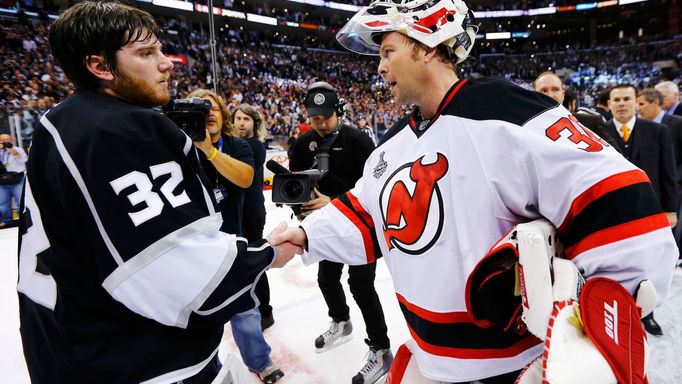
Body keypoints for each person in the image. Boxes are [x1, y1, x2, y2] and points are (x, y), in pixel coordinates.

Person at [271, 0, 678, 382]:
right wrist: (307, 236)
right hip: (430, 359)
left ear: (426, 46)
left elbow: (619, 199)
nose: (379, 68)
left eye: (388, 51)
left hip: (519, 365)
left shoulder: (507, 110)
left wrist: (595, 321)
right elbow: (366, 212)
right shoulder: (393, 145)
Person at [17, 3, 298, 383]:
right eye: (147, 53)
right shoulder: (118, 131)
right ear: (100, 67)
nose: (167, 63)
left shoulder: (61, 121)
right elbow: (181, 275)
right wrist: (273, 253)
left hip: (69, 348)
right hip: (137, 364)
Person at [288, 81, 393, 384]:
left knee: (361, 286)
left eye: (325, 116)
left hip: (360, 227)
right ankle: (341, 322)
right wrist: (302, 209)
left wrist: (333, 203)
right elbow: (295, 186)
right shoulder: (303, 142)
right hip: (326, 229)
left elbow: (376, 188)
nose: (319, 123)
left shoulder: (358, 140)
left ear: (338, 111)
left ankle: (381, 349)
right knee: (326, 279)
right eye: (314, 117)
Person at [188, 90, 284, 383]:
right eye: (201, 110)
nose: (209, 113)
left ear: (221, 114)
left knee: (244, 308)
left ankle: (259, 361)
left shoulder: (237, 145)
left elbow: (245, 177)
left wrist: (210, 151)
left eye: (213, 107)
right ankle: (203, 368)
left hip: (231, 242)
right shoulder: (180, 148)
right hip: (193, 243)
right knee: (197, 315)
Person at [233, 103, 274, 331]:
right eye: (238, 118)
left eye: (246, 119)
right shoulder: (232, 144)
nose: (241, 123)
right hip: (235, 212)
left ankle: (265, 311)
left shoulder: (255, 147)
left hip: (252, 212)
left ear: (254, 124)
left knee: (255, 262)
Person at [533, 72, 619, 151]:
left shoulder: (590, 123)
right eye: (544, 90)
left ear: (563, 95)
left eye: (555, 89)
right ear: (533, 95)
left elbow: (617, 158)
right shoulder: (523, 128)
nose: (551, 95)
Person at [0, 133, 26, 227]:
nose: (5, 142)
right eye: (2, 140)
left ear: (11, 140)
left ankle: (24, 220)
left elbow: (23, 160)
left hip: (17, 178)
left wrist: (12, 151)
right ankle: (6, 220)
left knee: (21, 200)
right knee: (2, 202)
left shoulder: (18, 149)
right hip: (2, 180)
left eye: (7, 140)